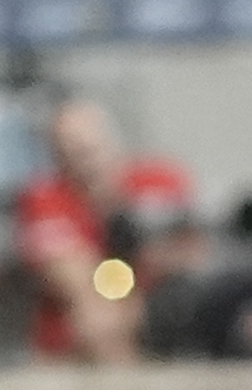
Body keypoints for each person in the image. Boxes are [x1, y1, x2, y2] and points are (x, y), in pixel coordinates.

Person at [14, 99, 199, 364]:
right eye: (70, 151)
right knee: (94, 321)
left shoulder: (158, 181)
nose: (83, 159)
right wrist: (127, 292)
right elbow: (72, 277)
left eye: (89, 148)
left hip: (162, 323)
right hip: (70, 342)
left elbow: (190, 250)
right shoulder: (43, 197)